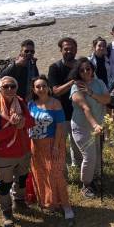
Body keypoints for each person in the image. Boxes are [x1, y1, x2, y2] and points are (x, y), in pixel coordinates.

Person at [0, 76, 34, 227]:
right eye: (5, 86)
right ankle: (6, 211)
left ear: (16, 87)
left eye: (12, 86)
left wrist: (22, 122)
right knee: (5, 184)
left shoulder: (20, 102)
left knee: (22, 178)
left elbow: (31, 121)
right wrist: (13, 127)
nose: (9, 89)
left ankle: (19, 202)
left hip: (23, 149)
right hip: (5, 154)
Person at [28, 76, 74, 226]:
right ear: (34, 89)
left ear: (48, 87)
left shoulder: (55, 103)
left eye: (43, 86)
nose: (41, 89)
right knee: (40, 174)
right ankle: (49, 202)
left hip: (53, 144)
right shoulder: (31, 105)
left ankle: (66, 206)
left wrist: (56, 146)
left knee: (56, 174)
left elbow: (60, 126)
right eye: (38, 86)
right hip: (35, 145)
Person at [69, 58, 110, 198]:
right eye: (82, 70)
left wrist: (91, 92)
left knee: (98, 154)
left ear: (92, 69)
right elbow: (85, 108)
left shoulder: (99, 83)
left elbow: (107, 100)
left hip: (98, 125)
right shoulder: (76, 87)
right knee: (89, 157)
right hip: (82, 127)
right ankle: (86, 185)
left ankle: (95, 178)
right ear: (78, 72)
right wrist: (95, 125)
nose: (86, 72)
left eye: (88, 68)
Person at [47, 37, 82, 167]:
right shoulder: (54, 68)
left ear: (76, 50)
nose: (69, 51)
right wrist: (72, 82)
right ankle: (61, 169)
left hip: (78, 111)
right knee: (60, 143)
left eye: (72, 49)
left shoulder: (81, 66)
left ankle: (77, 167)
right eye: (66, 49)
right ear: (61, 50)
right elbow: (55, 91)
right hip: (60, 113)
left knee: (77, 143)